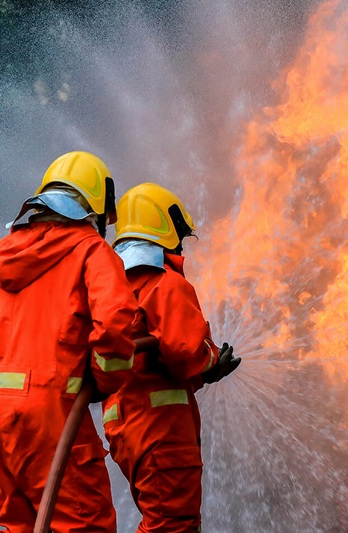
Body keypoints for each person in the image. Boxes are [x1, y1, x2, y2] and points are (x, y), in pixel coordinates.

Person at [0, 151, 137, 532]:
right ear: (94, 208)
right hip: (53, 410)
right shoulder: (91, 250)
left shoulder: (11, 254)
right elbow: (117, 323)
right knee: (84, 524)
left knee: (19, 524)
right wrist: (103, 380)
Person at [101, 182, 241, 533]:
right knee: (173, 525)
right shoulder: (164, 283)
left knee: (161, 520)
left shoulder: (112, 286)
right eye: (178, 235)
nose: (180, 245)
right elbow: (185, 351)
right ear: (164, 228)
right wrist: (211, 362)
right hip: (160, 428)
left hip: (124, 426)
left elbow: (148, 359)